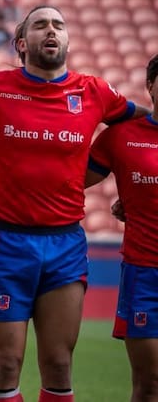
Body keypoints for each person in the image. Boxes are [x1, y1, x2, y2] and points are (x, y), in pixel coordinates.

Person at [0, 5, 147, 402]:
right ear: (20, 43)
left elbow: (144, 126)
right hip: (5, 242)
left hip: (65, 243)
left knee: (60, 364)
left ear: (67, 39)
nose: (51, 31)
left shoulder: (94, 92)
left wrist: (135, 191)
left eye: (59, 25)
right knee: (6, 363)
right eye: (40, 25)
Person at [86, 53, 158, 402]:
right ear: (150, 85)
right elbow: (71, 179)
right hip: (145, 273)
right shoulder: (123, 136)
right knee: (148, 384)